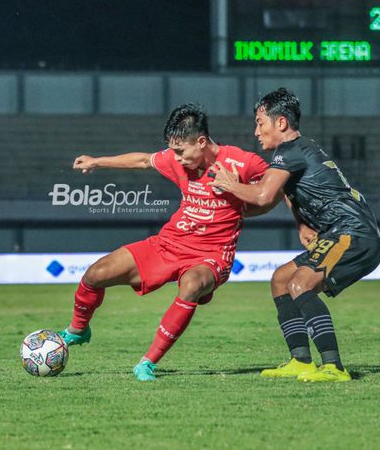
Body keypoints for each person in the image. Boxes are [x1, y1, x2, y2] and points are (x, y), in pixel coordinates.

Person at [58, 103, 269, 381]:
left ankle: (147, 362)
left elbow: (274, 187)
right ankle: (78, 330)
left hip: (212, 254)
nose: (177, 158)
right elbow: (143, 160)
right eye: (173, 152)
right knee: (95, 274)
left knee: (191, 284)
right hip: (168, 244)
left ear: (202, 141)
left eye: (181, 151)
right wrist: (97, 161)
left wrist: (244, 199)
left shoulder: (242, 161)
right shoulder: (175, 159)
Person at [209, 88, 380, 383]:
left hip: (353, 233)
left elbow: (264, 196)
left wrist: (229, 184)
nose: (256, 132)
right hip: (340, 232)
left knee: (301, 284)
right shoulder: (296, 152)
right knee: (280, 280)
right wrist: (301, 223)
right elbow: (285, 195)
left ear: (281, 123)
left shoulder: (290, 152)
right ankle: (301, 361)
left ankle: (333, 367)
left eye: (260, 123)